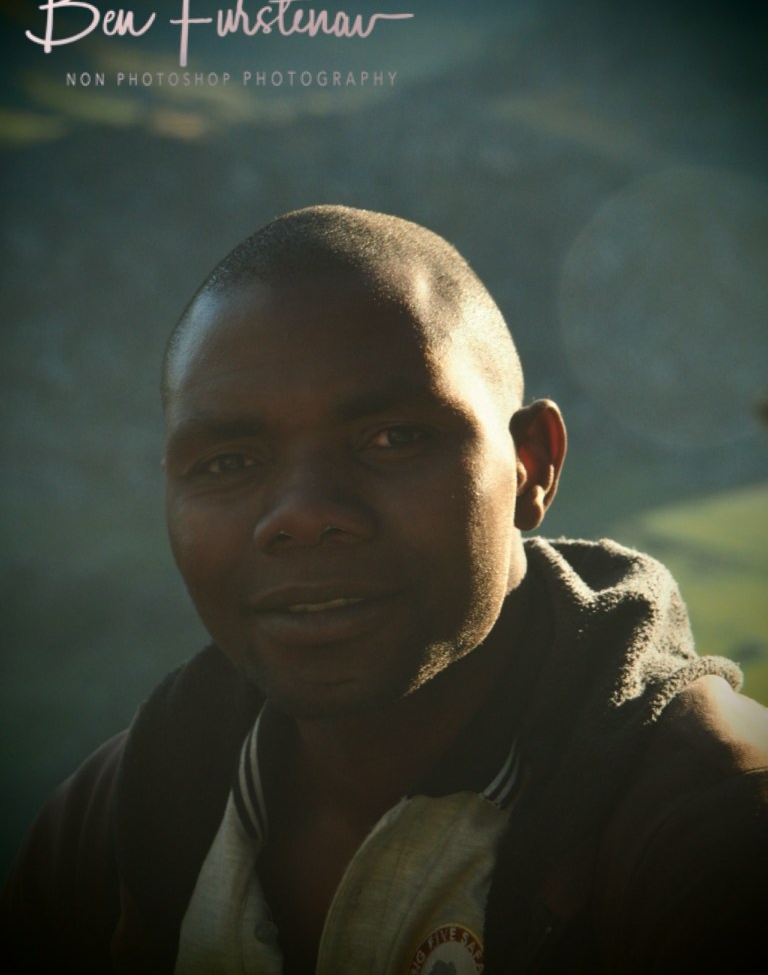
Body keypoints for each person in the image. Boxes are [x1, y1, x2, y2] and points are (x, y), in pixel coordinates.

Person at [3, 205, 767, 974]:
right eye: (228, 462)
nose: (302, 516)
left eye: (393, 438)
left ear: (532, 466)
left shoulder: (719, 830)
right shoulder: (108, 828)